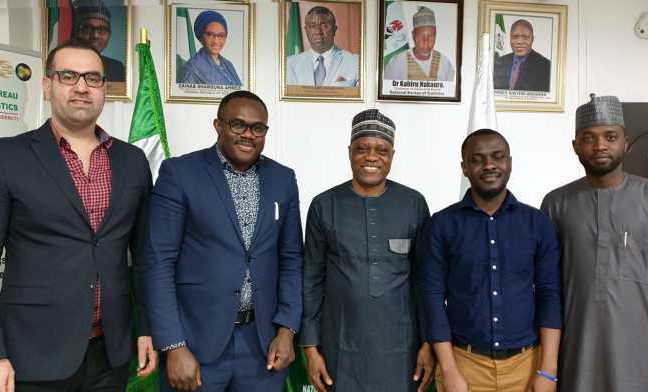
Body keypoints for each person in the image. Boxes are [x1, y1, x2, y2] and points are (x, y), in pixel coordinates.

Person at [0, 38, 156, 392]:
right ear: (48, 86)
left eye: (93, 78)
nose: (82, 86)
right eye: (68, 76)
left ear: (104, 89)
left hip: (112, 353)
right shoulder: (5, 157)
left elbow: (144, 258)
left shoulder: (133, 161)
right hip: (30, 355)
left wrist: (147, 329)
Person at [143, 91, 303, 392]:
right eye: (238, 125)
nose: (248, 135)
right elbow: (158, 263)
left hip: (262, 345)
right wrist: (174, 345)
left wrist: (287, 329)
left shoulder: (283, 179)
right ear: (218, 126)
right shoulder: (180, 173)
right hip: (195, 343)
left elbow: (292, 260)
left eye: (258, 128)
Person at [540, 94, 648, 392]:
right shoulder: (556, 204)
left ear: (625, 142)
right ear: (575, 147)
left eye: (610, 137)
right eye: (589, 138)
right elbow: (547, 290)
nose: (600, 146)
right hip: (575, 361)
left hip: (643, 363)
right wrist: (547, 368)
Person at [300, 109, 435, 392]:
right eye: (362, 148)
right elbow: (311, 281)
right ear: (350, 152)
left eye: (381, 150)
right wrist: (311, 348)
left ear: (392, 155)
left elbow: (427, 281)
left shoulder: (414, 204)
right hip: (340, 346)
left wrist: (428, 343)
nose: (372, 157)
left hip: (402, 348)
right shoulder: (324, 205)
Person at [421, 129, 562, 392]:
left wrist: (549, 370)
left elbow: (550, 294)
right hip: (464, 365)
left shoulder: (537, 223)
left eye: (498, 157)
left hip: (528, 365)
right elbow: (432, 296)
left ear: (510, 164)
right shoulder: (442, 224)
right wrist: (449, 370)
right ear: (464, 168)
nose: (489, 165)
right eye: (477, 159)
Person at [286, 6, 359, 87]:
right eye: (312, 26)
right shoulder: (290, 64)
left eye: (324, 26)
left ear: (334, 30)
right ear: (306, 30)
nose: (318, 32)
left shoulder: (355, 63)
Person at [383, 6, 455, 82]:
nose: (426, 41)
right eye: (421, 35)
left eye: (431, 36)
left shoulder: (445, 62)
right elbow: (388, 89)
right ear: (413, 35)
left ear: (435, 35)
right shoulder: (398, 61)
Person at [177, 11, 242, 86]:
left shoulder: (228, 64)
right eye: (210, 35)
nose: (216, 41)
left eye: (221, 36)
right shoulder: (191, 68)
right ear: (201, 36)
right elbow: (184, 96)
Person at [73, 0, 126, 83]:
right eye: (89, 28)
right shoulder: (65, 63)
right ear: (78, 32)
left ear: (109, 35)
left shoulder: (117, 68)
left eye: (102, 30)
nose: (95, 35)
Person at [493, 19, 550, 92]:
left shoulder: (546, 67)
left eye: (525, 37)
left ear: (532, 39)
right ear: (510, 38)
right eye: (515, 36)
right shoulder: (499, 63)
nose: (520, 42)